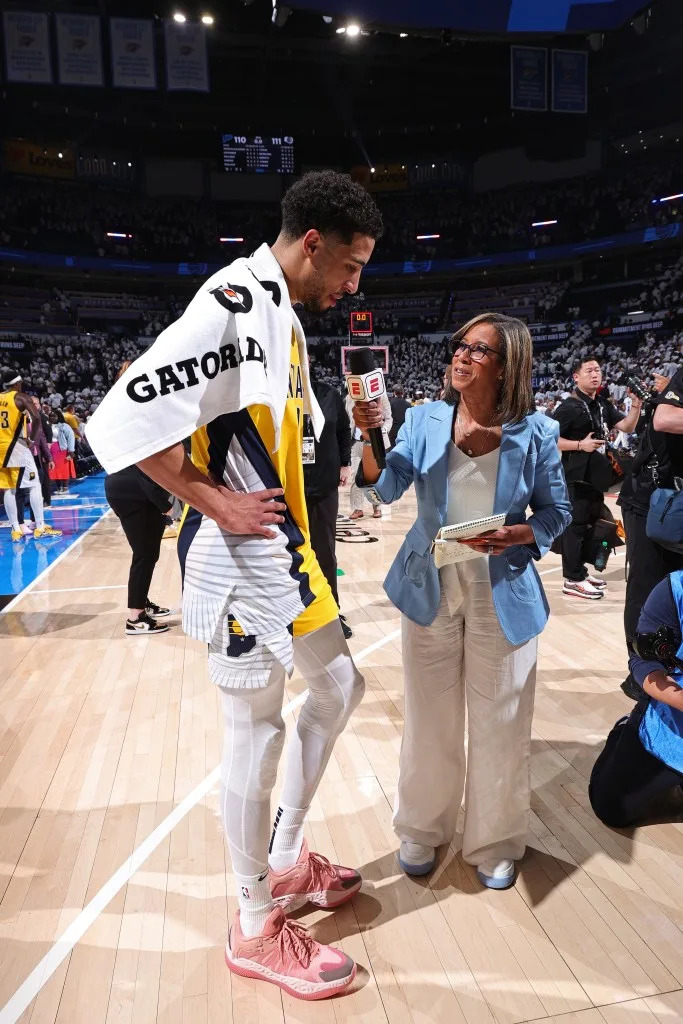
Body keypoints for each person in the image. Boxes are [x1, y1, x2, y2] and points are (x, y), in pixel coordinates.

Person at [86, 171, 383, 1000]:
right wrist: (210, 496)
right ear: (312, 243)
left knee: (339, 685)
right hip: (236, 559)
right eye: (350, 266)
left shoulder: (280, 313)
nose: (355, 285)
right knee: (255, 735)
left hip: (286, 558)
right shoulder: (233, 298)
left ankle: (284, 863)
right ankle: (254, 924)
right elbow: (126, 412)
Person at [352, 312, 571, 889]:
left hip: (503, 589)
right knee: (429, 718)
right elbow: (383, 486)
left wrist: (518, 534)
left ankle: (494, 838)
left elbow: (557, 514)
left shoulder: (538, 432)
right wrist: (371, 437)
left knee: (501, 720)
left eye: (478, 349)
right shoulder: (424, 419)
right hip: (431, 587)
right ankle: (423, 829)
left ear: (507, 366)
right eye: (460, 345)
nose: (461, 356)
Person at [589, 571, 683, 827]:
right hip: (673, 721)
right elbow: (644, 661)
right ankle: (627, 729)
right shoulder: (675, 589)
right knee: (613, 806)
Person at [552, 356, 642, 600]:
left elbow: (627, 427)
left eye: (598, 370)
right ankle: (572, 579)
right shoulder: (569, 407)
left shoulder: (601, 403)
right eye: (589, 370)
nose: (595, 374)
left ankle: (580, 571)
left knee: (590, 525)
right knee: (575, 527)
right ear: (576, 377)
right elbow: (548, 439)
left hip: (595, 476)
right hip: (574, 478)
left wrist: (636, 405)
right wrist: (580, 444)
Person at [618, 367, 683, 699]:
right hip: (650, 502)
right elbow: (664, 419)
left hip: (675, 503)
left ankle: (669, 668)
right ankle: (641, 674)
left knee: (676, 590)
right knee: (647, 590)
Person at [303, 374, 354, 639]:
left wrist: (345, 463)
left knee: (325, 552)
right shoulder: (276, 393)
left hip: (324, 486)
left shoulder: (329, 394)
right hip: (288, 489)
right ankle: (295, 611)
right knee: (288, 553)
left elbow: (344, 431)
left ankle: (331, 610)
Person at [104, 464, 173, 635]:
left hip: (123, 486)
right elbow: (144, 468)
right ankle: (136, 618)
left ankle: (141, 602)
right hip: (137, 491)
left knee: (146, 553)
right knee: (145, 554)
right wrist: (166, 505)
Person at [0, 373, 62, 542]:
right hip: (17, 446)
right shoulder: (20, 397)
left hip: (1, 447)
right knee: (34, 485)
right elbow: (36, 418)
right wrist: (32, 440)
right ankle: (40, 527)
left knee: (8, 488)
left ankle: (15, 529)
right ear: (18, 383)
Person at [347, 387, 392, 520]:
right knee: (355, 475)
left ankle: (376, 507)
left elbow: (389, 418)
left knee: (374, 477)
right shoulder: (350, 397)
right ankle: (357, 508)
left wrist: (382, 431)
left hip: (374, 443)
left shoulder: (381, 395)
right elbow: (347, 421)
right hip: (356, 442)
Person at [49, 410, 76, 495]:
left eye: (54, 416)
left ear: (59, 416)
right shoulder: (47, 425)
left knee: (64, 469)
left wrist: (71, 451)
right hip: (51, 449)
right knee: (54, 469)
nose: (52, 418)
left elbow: (71, 438)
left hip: (62, 450)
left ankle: (65, 487)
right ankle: (58, 487)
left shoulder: (64, 426)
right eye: (51, 416)